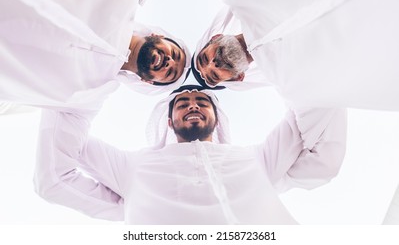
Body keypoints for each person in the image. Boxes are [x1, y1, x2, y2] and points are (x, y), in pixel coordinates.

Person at [34, 85, 347, 224]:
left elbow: (318, 102)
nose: (193, 105)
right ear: (168, 121)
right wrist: (86, 82)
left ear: (217, 116)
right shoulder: (134, 166)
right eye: (182, 103)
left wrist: (255, 66)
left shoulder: (258, 159)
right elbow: (55, 176)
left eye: (202, 101)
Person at [188, 0, 399, 111]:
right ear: (238, 78)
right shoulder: (293, 85)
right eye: (214, 76)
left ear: (216, 36)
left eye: (205, 59)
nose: (213, 64)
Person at [0, 0, 191, 111]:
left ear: (148, 82)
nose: (170, 62)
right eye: (174, 54)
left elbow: (62, 157)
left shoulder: (90, 99)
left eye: (170, 73)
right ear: (158, 36)